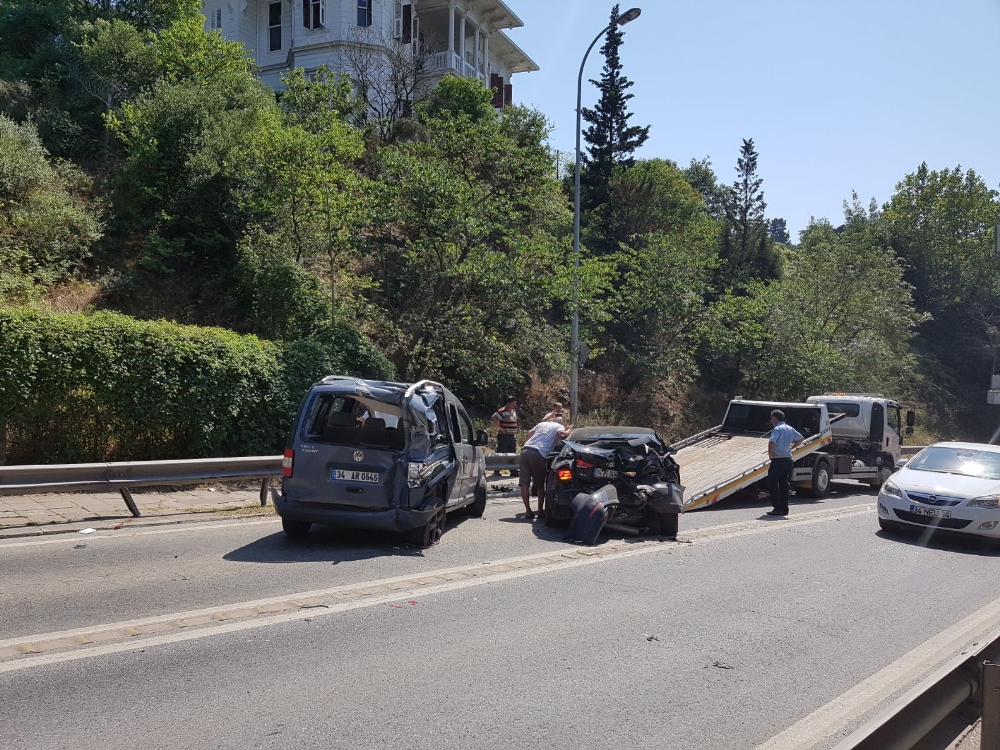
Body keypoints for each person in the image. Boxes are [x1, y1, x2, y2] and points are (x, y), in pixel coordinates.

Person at [518, 416, 573, 520]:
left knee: (524, 483)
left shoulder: (541, 424)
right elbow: (562, 435)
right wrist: (569, 429)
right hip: (538, 453)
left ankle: (528, 511)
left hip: (525, 450)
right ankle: (540, 510)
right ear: (561, 422)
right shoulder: (559, 426)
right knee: (539, 483)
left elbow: (529, 434)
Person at [767, 409, 803, 516]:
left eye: (771, 418)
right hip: (788, 459)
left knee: (772, 483)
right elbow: (800, 438)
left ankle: (777, 507)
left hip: (778, 459)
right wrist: (792, 447)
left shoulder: (777, 429)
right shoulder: (789, 428)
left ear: (775, 418)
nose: (771, 420)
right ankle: (785, 508)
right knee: (784, 484)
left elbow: (772, 441)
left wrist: (770, 452)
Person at [491, 397, 519, 478]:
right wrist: (500, 428)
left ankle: (513, 470)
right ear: (508, 403)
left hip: (512, 435)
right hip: (504, 436)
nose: (514, 405)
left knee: (512, 452)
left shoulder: (514, 411)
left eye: (515, 403)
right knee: (502, 451)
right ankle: (497, 470)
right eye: (513, 403)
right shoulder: (502, 411)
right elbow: (493, 418)